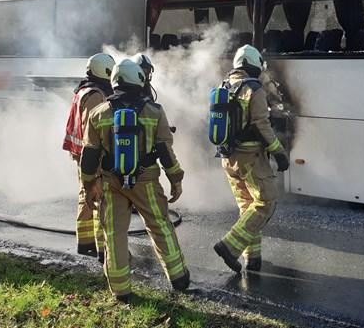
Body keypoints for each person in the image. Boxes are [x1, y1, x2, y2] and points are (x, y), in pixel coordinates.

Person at [80, 59, 189, 302]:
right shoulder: (154, 111)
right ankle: (179, 278)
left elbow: (89, 156)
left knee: (114, 233)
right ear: (138, 80)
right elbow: (165, 152)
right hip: (147, 182)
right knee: (160, 226)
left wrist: (89, 185)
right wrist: (176, 179)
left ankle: (121, 290)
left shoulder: (99, 113)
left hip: (111, 183)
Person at [213, 45, 289, 273]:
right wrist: (279, 152)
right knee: (266, 202)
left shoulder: (223, 86)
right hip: (251, 159)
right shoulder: (253, 88)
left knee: (248, 207)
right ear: (255, 65)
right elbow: (261, 124)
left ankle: (252, 259)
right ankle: (229, 246)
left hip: (228, 158)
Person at [63, 53, 115, 261]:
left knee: (86, 194)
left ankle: (85, 242)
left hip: (80, 152)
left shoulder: (83, 89)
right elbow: (93, 127)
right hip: (90, 152)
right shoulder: (95, 94)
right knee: (100, 197)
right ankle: (104, 248)